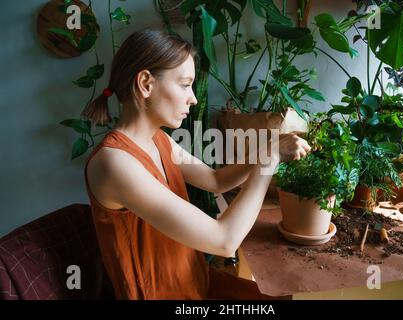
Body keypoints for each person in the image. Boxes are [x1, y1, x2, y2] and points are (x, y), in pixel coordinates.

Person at [83, 28, 311, 300]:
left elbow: (216, 179)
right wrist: (269, 159)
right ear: (146, 83)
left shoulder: (160, 140)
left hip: (196, 286)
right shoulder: (114, 163)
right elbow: (224, 241)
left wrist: (268, 146)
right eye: (184, 84)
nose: (193, 97)